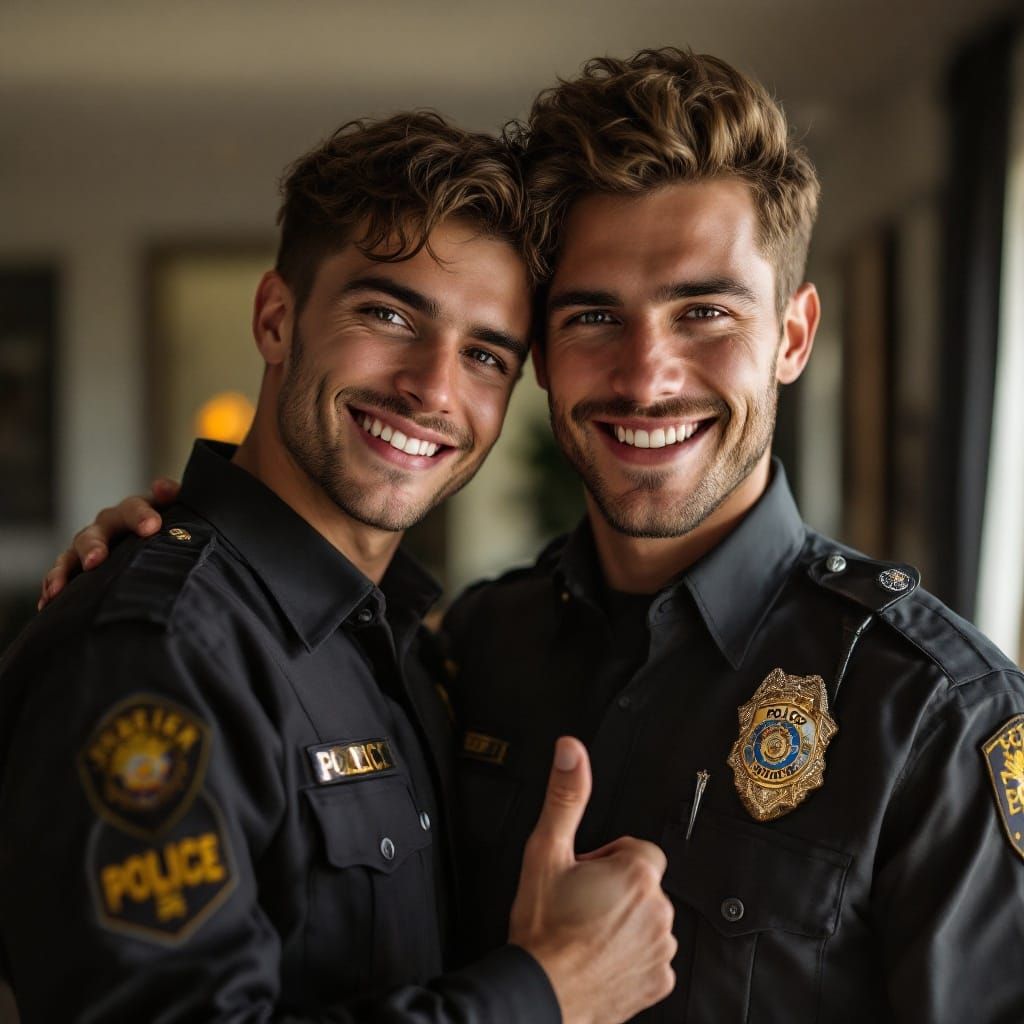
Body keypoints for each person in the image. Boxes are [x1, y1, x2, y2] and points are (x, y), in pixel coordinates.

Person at [41, 48, 1024, 1023]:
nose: (646, 376)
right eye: (595, 314)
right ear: (548, 359)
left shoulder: (938, 715)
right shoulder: (472, 649)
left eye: (704, 313)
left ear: (793, 336)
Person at [0, 112, 677, 1023]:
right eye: (389, 314)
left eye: (485, 355)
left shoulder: (407, 647)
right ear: (276, 319)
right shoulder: (155, 653)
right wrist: (548, 993)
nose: (433, 390)